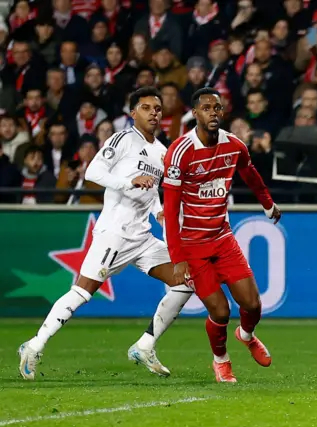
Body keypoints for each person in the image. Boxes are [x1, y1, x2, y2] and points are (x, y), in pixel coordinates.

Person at [18, 87, 193, 380]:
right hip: (115, 233)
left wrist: (159, 212)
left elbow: (151, 193)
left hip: (143, 237)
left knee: (186, 280)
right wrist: (128, 182)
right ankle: (34, 345)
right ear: (133, 112)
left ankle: (145, 345)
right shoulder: (123, 139)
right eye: (147, 108)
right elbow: (93, 172)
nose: (154, 113)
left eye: (158, 109)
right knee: (83, 291)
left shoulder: (161, 152)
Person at [161, 87, 282, 383]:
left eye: (217, 108)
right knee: (220, 310)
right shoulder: (180, 152)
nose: (213, 113)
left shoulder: (234, 146)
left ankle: (246, 334)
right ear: (195, 113)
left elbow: (250, 173)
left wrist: (268, 204)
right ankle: (221, 360)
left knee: (252, 305)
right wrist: (178, 259)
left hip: (222, 238)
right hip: (192, 246)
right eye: (206, 108)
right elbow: (170, 208)